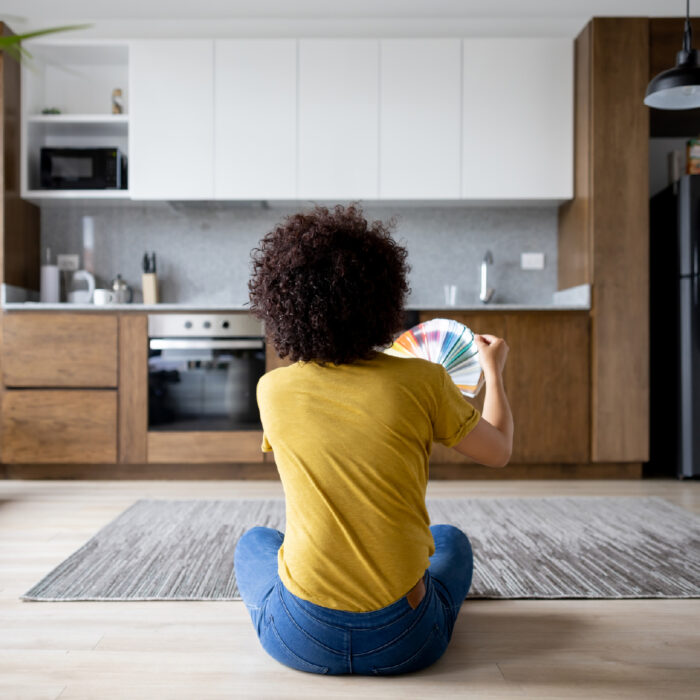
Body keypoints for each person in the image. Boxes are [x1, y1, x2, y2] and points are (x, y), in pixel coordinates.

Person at [234, 204, 513, 675]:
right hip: (404, 644)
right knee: (450, 541)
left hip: (300, 640)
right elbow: (499, 452)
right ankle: (432, 615)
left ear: (281, 304)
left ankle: (280, 614)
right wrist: (495, 372)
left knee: (256, 541)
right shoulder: (423, 380)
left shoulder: (273, 389)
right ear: (384, 297)